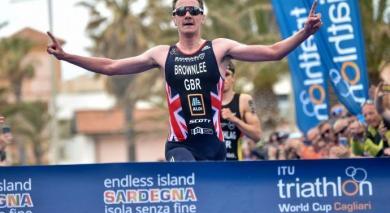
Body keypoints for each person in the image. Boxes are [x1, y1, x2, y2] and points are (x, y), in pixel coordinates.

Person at [47, 0, 322, 161]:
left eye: (192, 10)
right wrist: (67, 56)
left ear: (202, 17)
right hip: (181, 145)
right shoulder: (161, 54)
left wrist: (305, 32)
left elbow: (273, 53)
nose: (187, 14)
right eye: (180, 12)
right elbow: (110, 66)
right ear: (174, 21)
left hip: (214, 147)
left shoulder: (219, 48)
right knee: (187, 184)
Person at [221, 61, 261, 160]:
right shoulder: (206, 100)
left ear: (233, 78)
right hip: (211, 165)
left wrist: (235, 120)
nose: (223, 79)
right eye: (220, 75)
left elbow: (257, 135)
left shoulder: (244, 100)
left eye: (227, 75)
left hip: (235, 164)